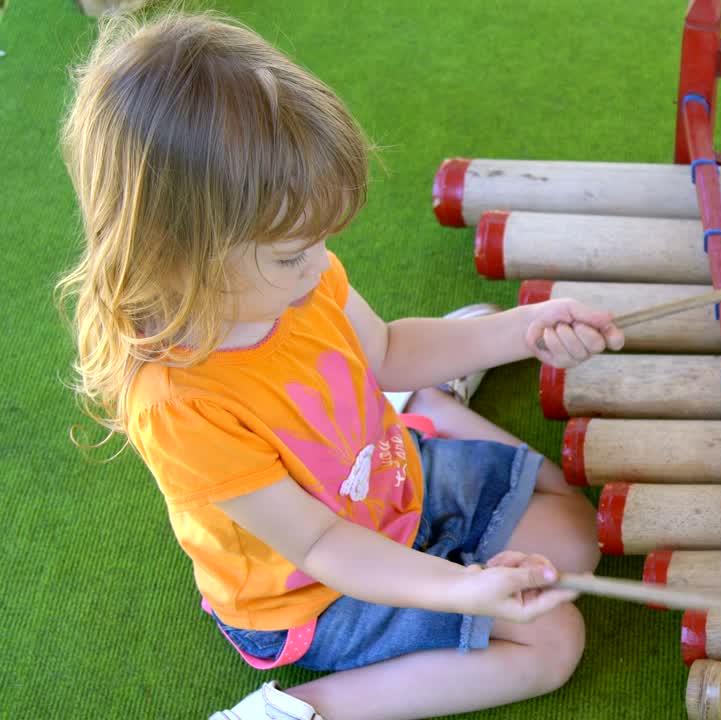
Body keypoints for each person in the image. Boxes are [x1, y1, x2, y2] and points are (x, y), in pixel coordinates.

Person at [57, 10, 623, 720]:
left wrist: (524, 331)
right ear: (179, 255)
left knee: (577, 531)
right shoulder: (179, 402)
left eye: (321, 241)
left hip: (388, 479)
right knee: (552, 640)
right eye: (295, 253)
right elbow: (322, 543)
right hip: (316, 588)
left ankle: (426, 405)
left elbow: (385, 352)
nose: (322, 264)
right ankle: (302, 711)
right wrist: (460, 588)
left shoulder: (295, 276)